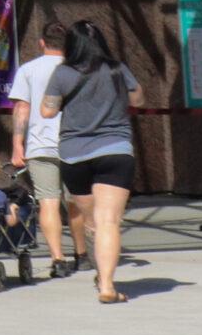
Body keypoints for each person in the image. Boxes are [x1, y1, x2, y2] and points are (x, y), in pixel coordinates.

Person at [39, 19, 147, 304]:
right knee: (108, 221)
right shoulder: (117, 69)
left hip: (76, 155)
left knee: (94, 222)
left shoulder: (63, 73)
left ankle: (102, 273)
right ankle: (108, 285)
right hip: (115, 151)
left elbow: (47, 112)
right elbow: (138, 99)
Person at [9, 22, 88, 278]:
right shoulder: (79, 68)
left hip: (40, 146)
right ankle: (82, 254)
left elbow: (22, 108)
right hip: (76, 145)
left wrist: (17, 145)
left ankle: (58, 259)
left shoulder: (28, 70)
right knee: (74, 203)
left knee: (49, 203)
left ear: (42, 43)